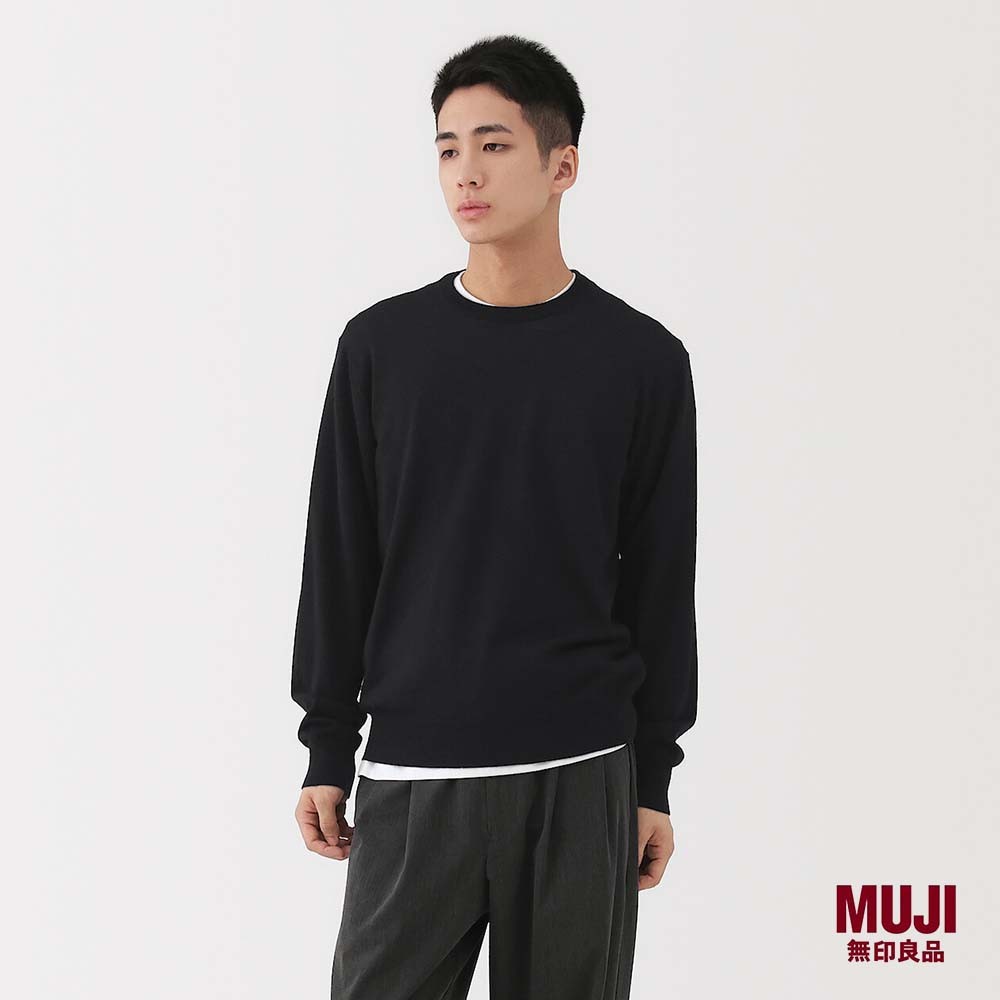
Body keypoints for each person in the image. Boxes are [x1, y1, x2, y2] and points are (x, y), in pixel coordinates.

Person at [290, 33, 698, 999]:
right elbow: (340, 555)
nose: (465, 172)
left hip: (580, 772)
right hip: (414, 772)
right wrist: (325, 746)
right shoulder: (382, 348)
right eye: (447, 148)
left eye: (494, 144)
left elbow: (660, 580)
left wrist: (652, 778)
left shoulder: (641, 360)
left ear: (563, 166)